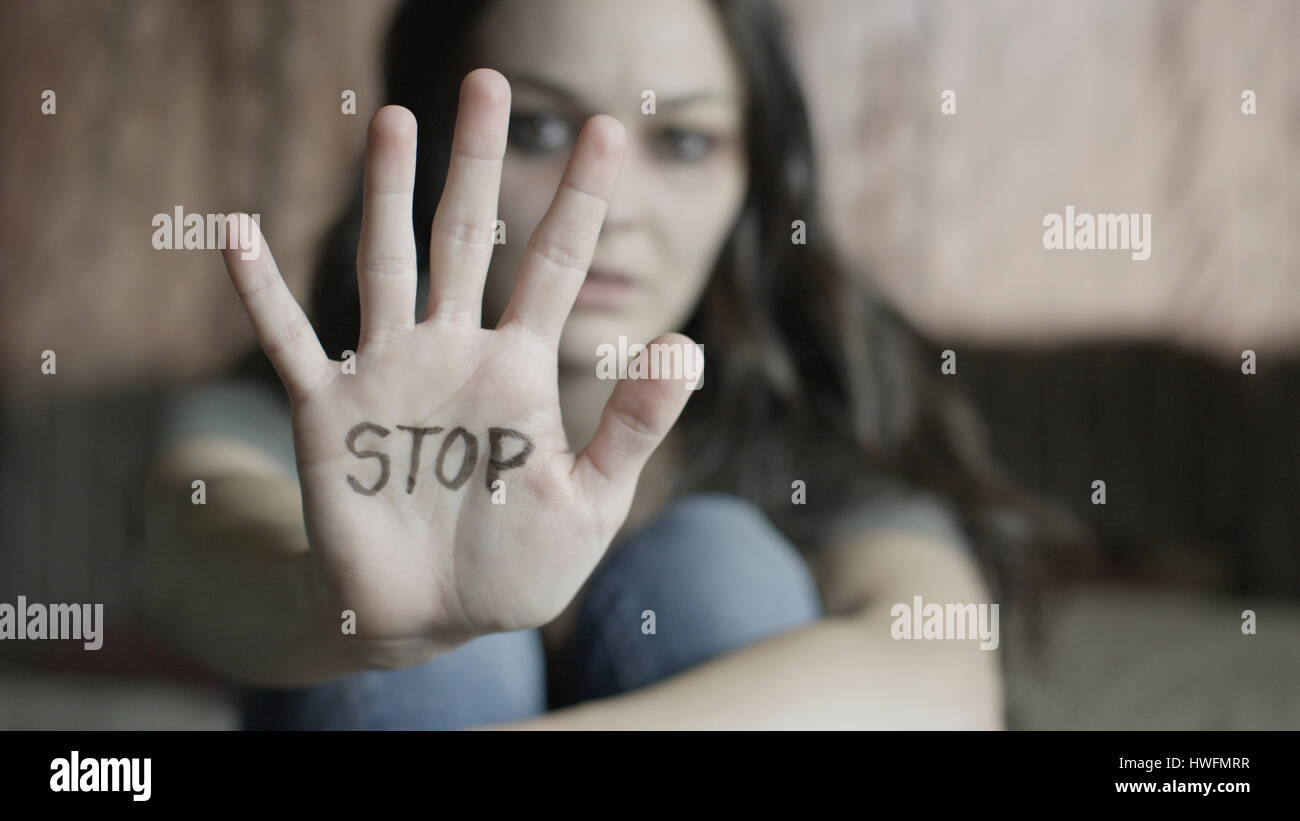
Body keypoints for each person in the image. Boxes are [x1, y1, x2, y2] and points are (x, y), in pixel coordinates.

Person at [137, 0, 1088, 730]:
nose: (613, 208)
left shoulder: (812, 417)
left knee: (715, 566)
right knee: (437, 656)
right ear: (433, 149)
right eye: (542, 129)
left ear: (752, 184)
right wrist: (339, 604)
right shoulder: (292, 408)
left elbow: (937, 674)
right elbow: (199, 564)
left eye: (683, 140)